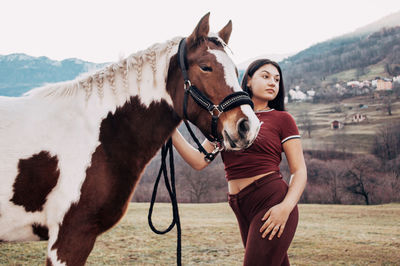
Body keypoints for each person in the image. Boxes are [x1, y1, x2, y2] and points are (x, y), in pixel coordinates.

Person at [172, 59, 307, 266]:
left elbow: (299, 171)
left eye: (277, 79)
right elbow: (199, 160)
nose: (273, 82)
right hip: (240, 205)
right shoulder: (228, 118)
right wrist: (170, 131)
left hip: (271, 202)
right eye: (266, 76)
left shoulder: (282, 119)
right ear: (249, 81)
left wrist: (285, 208)